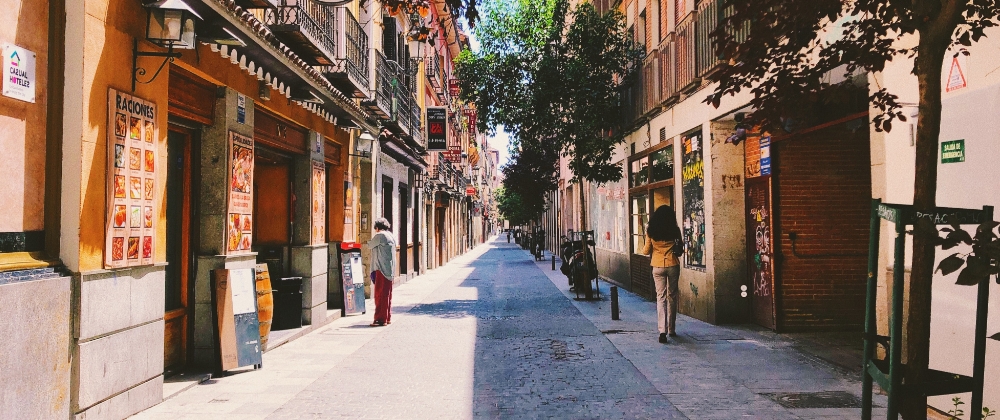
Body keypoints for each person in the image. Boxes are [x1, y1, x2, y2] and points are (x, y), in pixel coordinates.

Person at [640, 205, 682, 343]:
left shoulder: (651, 230)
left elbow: (646, 251)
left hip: (657, 265)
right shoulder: (675, 230)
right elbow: (680, 247)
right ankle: (672, 329)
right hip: (673, 264)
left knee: (661, 297)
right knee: (672, 296)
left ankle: (662, 331)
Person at [366, 217, 397, 327]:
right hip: (390, 269)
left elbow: (369, 245)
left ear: (378, 227)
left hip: (381, 269)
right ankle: (387, 317)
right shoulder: (391, 235)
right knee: (387, 295)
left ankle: (380, 319)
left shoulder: (381, 235)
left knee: (379, 295)